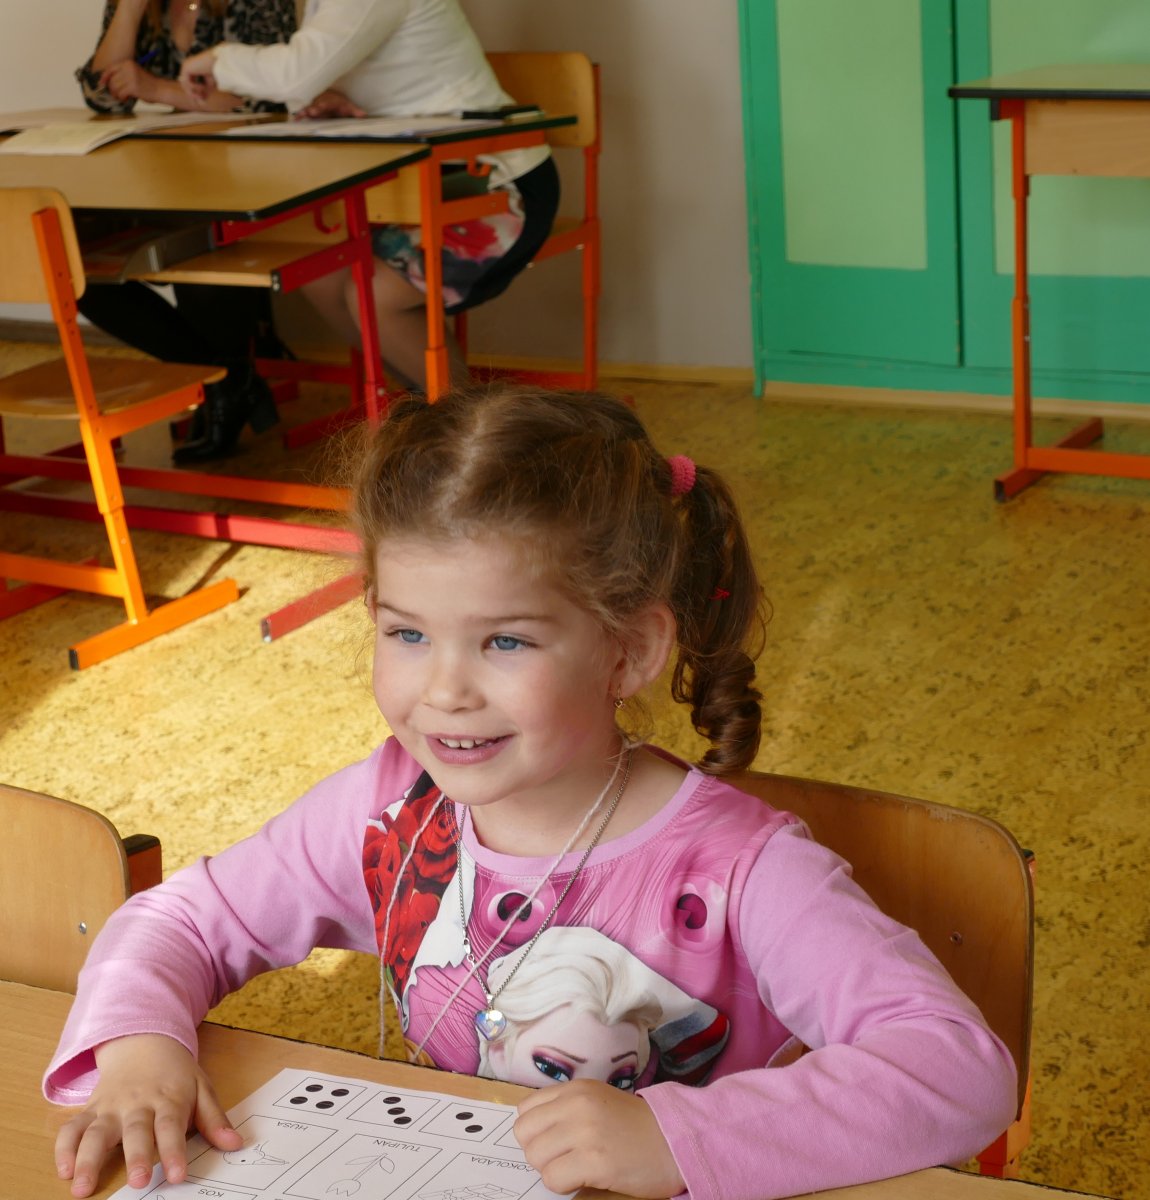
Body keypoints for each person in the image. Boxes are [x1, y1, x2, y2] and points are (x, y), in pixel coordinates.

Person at [44, 388, 1017, 1200]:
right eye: (406, 632)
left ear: (629, 650)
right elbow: (182, 919)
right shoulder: (388, 808)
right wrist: (139, 1045)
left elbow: (959, 1071)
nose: (444, 690)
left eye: (505, 641)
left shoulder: (745, 870)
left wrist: (677, 1136)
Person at [176, 0, 561, 393]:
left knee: (375, 294)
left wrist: (217, 59)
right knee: (320, 274)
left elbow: (295, 74)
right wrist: (330, 99)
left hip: (497, 184)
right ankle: (427, 400)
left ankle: (458, 416)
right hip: (414, 187)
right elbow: (315, 75)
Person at [74, 0, 298, 461]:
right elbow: (101, 95)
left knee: (202, 254)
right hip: (158, 179)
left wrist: (157, 88)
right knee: (77, 270)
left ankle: (224, 383)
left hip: (249, 179)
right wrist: (129, 10)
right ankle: (228, 379)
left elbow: (270, 100)